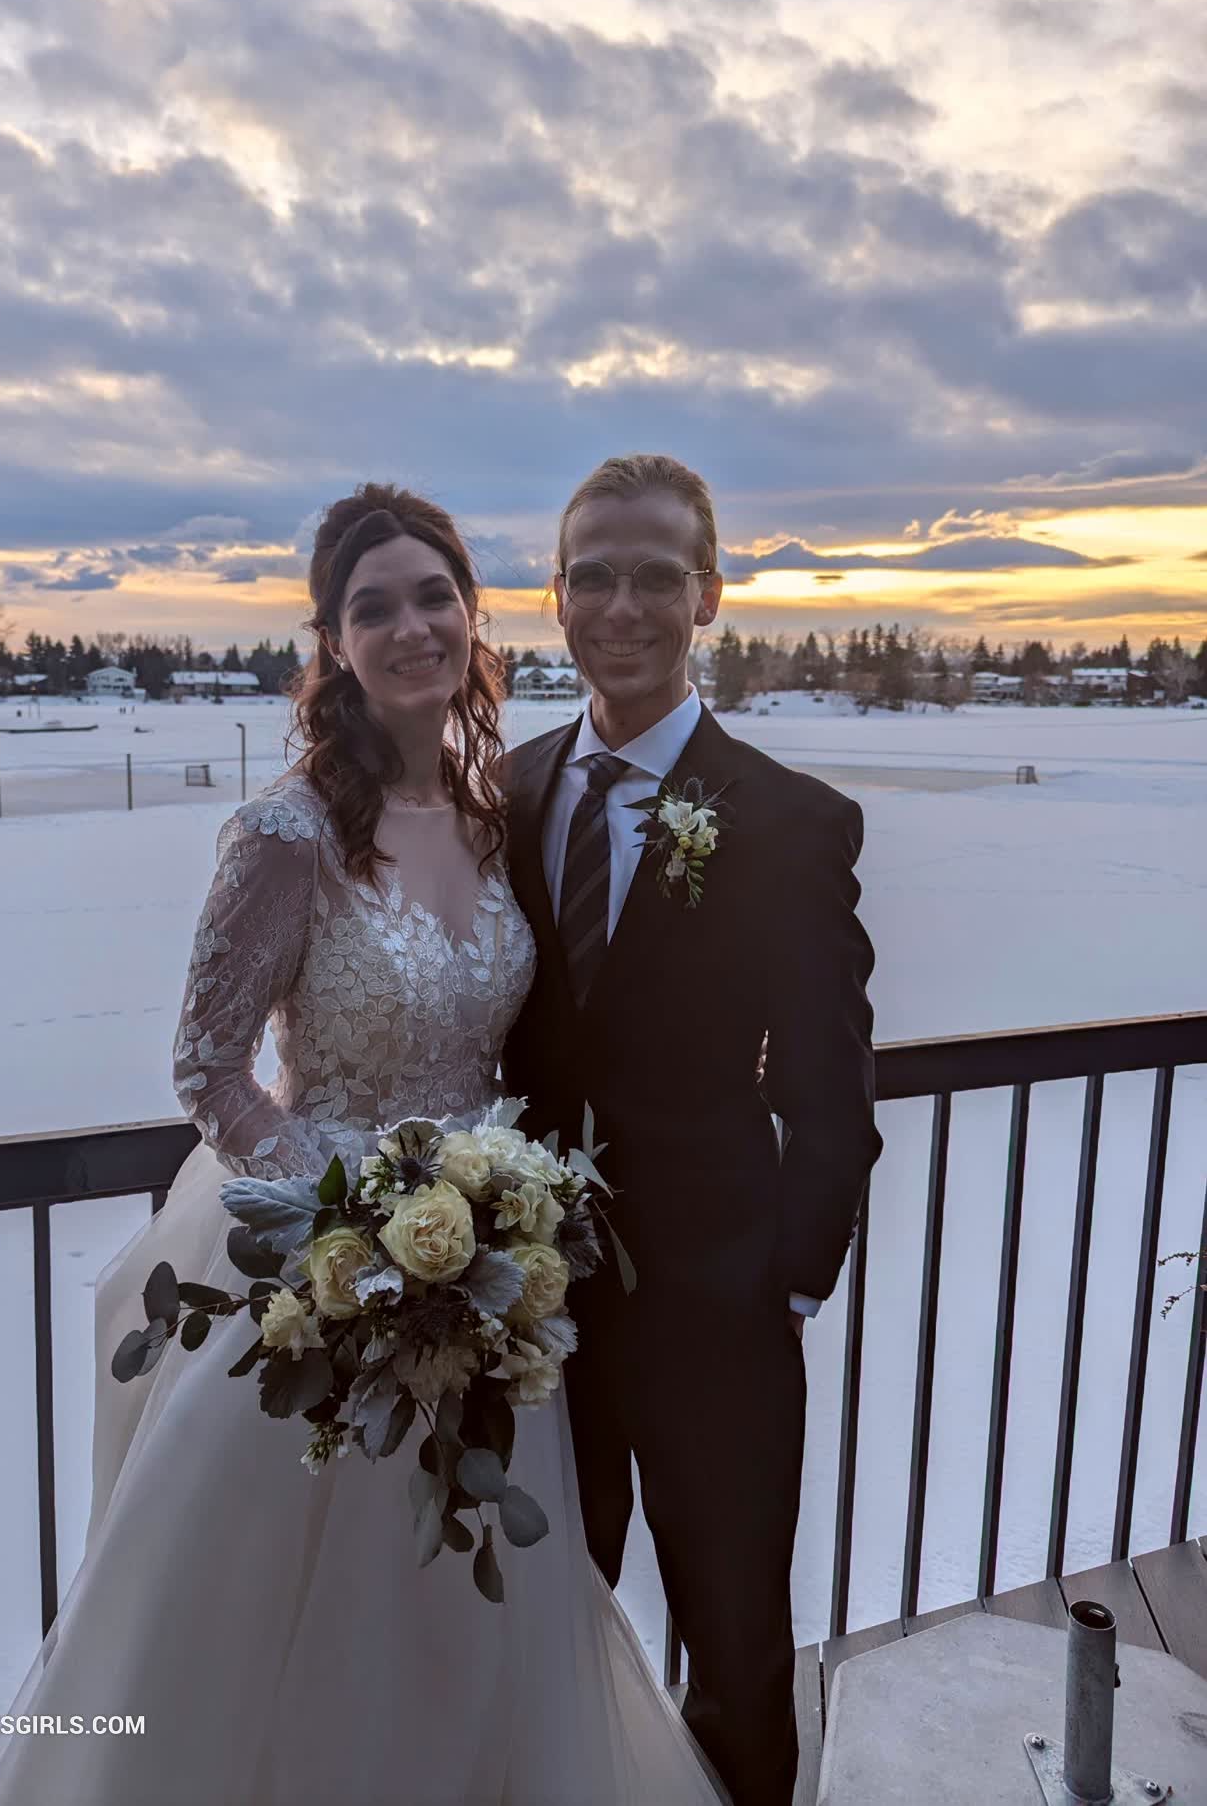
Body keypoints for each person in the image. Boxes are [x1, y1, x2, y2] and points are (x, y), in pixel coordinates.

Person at [0, 483, 725, 1806]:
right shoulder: (287, 834)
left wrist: (498, 1222)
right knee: (291, 1650)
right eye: (375, 608)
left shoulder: (493, 815)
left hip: (490, 1287)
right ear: (333, 642)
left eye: (435, 596)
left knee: (467, 1624)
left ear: (474, 617)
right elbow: (209, 1068)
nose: (412, 627)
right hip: (321, 1290)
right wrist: (348, 1227)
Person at [500, 454, 883, 1806]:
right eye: (594, 576)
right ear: (555, 597)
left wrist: (787, 1281)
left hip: (719, 1318)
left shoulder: (789, 822)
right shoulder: (505, 794)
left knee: (736, 1656)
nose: (624, 605)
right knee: (536, 1638)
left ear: (708, 596)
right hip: (525, 1311)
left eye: (657, 576)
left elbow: (831, 1085)